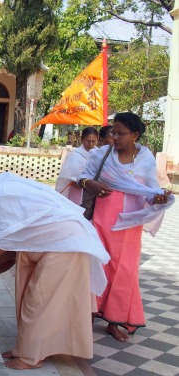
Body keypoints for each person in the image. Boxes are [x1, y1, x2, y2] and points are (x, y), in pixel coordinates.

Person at [0, 169, 110, 370]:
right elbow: (12, 250)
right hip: (58, 243)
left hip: (65, 244)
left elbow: (1, 246)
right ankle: (25, 349)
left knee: (37, 303)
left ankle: (30, 358)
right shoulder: (0, 188)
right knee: (32, 300)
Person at [78, 112, 174, 342]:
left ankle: (114, 321)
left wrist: (158, 199)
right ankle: (88, 315)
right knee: (96, 265)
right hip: (102, 219)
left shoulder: (145, 160)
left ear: (135, 135)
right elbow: (82, 177)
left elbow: (150, 192)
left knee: (124, 272)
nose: (115, 137)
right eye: (114, 132)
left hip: (130, 224)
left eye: (121, 133)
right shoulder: (102, 154)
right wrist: (89, 182)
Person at [55, 126, 98, 204]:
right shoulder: (74, 156)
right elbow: (71, 177)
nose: (91, 144)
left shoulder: (99, 154)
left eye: (93, 141)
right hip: (76, 190)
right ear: (82, 140)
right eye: (88, 141)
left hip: (93, 192)